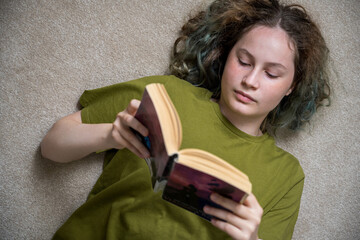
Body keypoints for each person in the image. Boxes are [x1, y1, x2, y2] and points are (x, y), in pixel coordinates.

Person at [41, 0, 330, 239]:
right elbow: (51, 146)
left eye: (271, 73)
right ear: (226, 56)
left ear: (292, 85)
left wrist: (252, 237)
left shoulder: (287, 175)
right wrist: (109, 135)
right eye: (243, 61)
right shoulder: (166, 94)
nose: (250, 81)